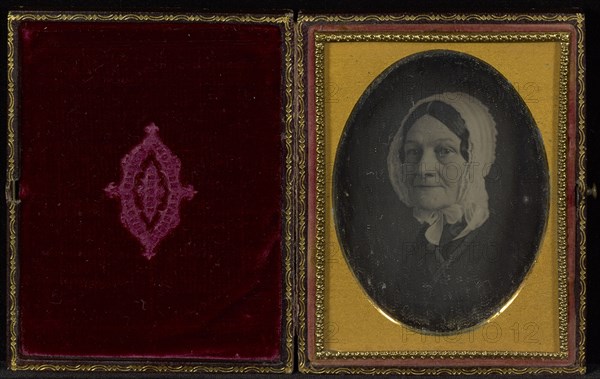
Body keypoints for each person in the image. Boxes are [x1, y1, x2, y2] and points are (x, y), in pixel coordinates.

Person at [384, 92, 516, 333]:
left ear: (473, 158)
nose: (424, 169)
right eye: (413, 151)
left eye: (444, 151)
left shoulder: (504, 245)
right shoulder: (420, 245)